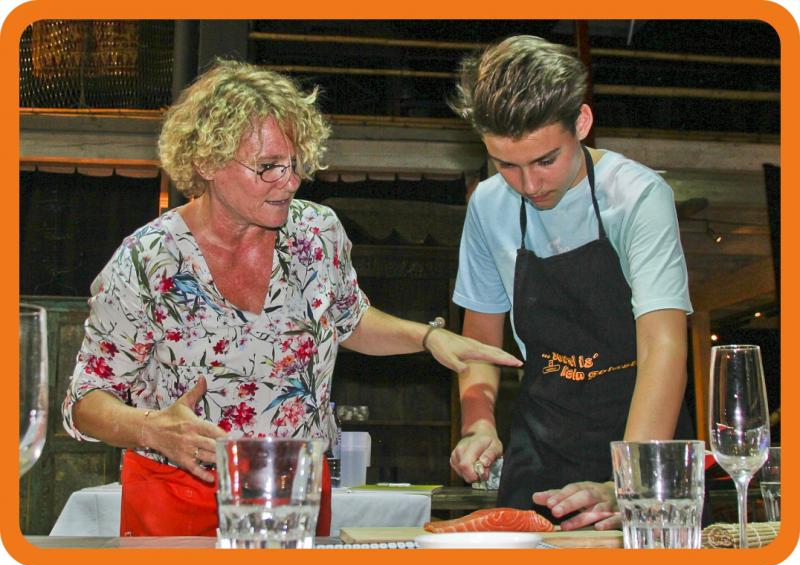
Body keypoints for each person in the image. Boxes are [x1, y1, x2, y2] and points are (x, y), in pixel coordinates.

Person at [61, 59, 522, 538]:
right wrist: (151, 428)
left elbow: (347, 320)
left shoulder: (315, 233)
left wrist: (427, 338)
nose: (291, 181)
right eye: (268, 167)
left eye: (295, 163)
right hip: (179, 492)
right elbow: (84, 401)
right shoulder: (148, 260)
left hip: (296, 488)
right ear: (206, 162)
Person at [446, 36, 695, 530]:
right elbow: (480, 342)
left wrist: (631, 484)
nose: (529, 185)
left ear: (581, 123)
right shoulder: (488, 206)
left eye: (545, 160)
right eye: (506, 164)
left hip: (643, 435)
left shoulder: (638, 196)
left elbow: (663, 346)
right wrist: (479, 423)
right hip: (542, 442)